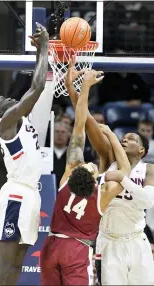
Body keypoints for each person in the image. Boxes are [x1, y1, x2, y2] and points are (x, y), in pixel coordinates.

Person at [66, 56, 154, 285]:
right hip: (109, 242)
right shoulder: (109, 157)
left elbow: (147, 202)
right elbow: (84, 120)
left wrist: (120, 178)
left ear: (142, 149)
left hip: (137, 241)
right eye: (122, 138)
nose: (124, 140)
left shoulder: (149, 169)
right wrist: (72, 87)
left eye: (131, 139)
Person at [40, 69, 131, 285]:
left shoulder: (66, 179)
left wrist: (81, 89)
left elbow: (79, 128)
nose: (90, 163)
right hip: (77, 248)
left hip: (52, 245)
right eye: (92, 166)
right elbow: (125, 171)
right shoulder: (102, 194)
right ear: (93, 180)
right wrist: (111, 135)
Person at [0, 24, 49, 286]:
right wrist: (45, 47)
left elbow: (32, 93)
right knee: (4, 263)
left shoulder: (20, 121)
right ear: (0, 113)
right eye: (1, 100)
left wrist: (38, 55)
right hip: (16, 193)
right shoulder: (6, 124)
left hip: (31, 193)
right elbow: (35, 90)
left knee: (18, 263)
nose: (8, 98)